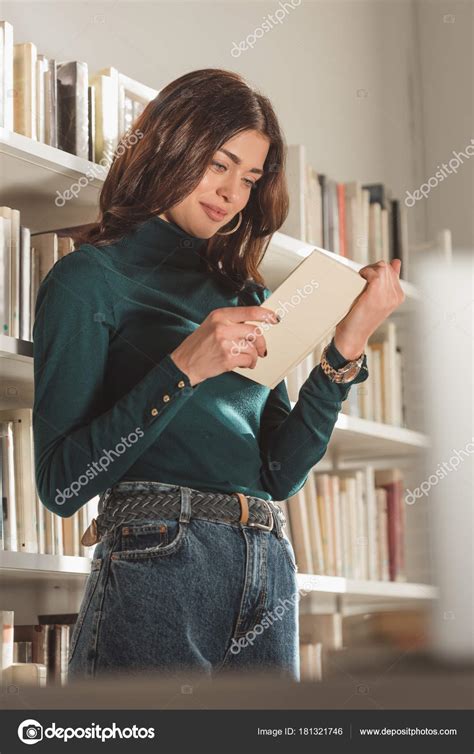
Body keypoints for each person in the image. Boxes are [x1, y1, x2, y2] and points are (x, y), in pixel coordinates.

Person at [32, 68, 404, 684]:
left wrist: (348, 344)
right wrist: (182, 370)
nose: (233, 192)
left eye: (251, 178)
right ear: (167, 147)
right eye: (219, 164)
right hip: (159, 554)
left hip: (267, 559)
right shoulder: (87, 281)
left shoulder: (244, 293)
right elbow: (63, 486)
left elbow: (280, 473)